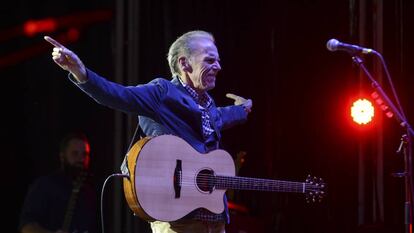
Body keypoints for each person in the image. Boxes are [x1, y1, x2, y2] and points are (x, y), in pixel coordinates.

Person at [44, 30, 252, 233]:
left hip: (215, 220)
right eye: (209, 60)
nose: (218, 66)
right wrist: (80, 71)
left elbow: (221, 116)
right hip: (177, 222)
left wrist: (242, 109)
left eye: (217, 60)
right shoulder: (162, 93)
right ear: (184, 63)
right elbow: (116, 94)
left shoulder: (208, 105)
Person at [19, 132, 98, 233]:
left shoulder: (90, 192)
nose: (81, 159)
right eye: (75, 154)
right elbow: (26, 227)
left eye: (85, 154)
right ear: (62, 157)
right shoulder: (45, 186)